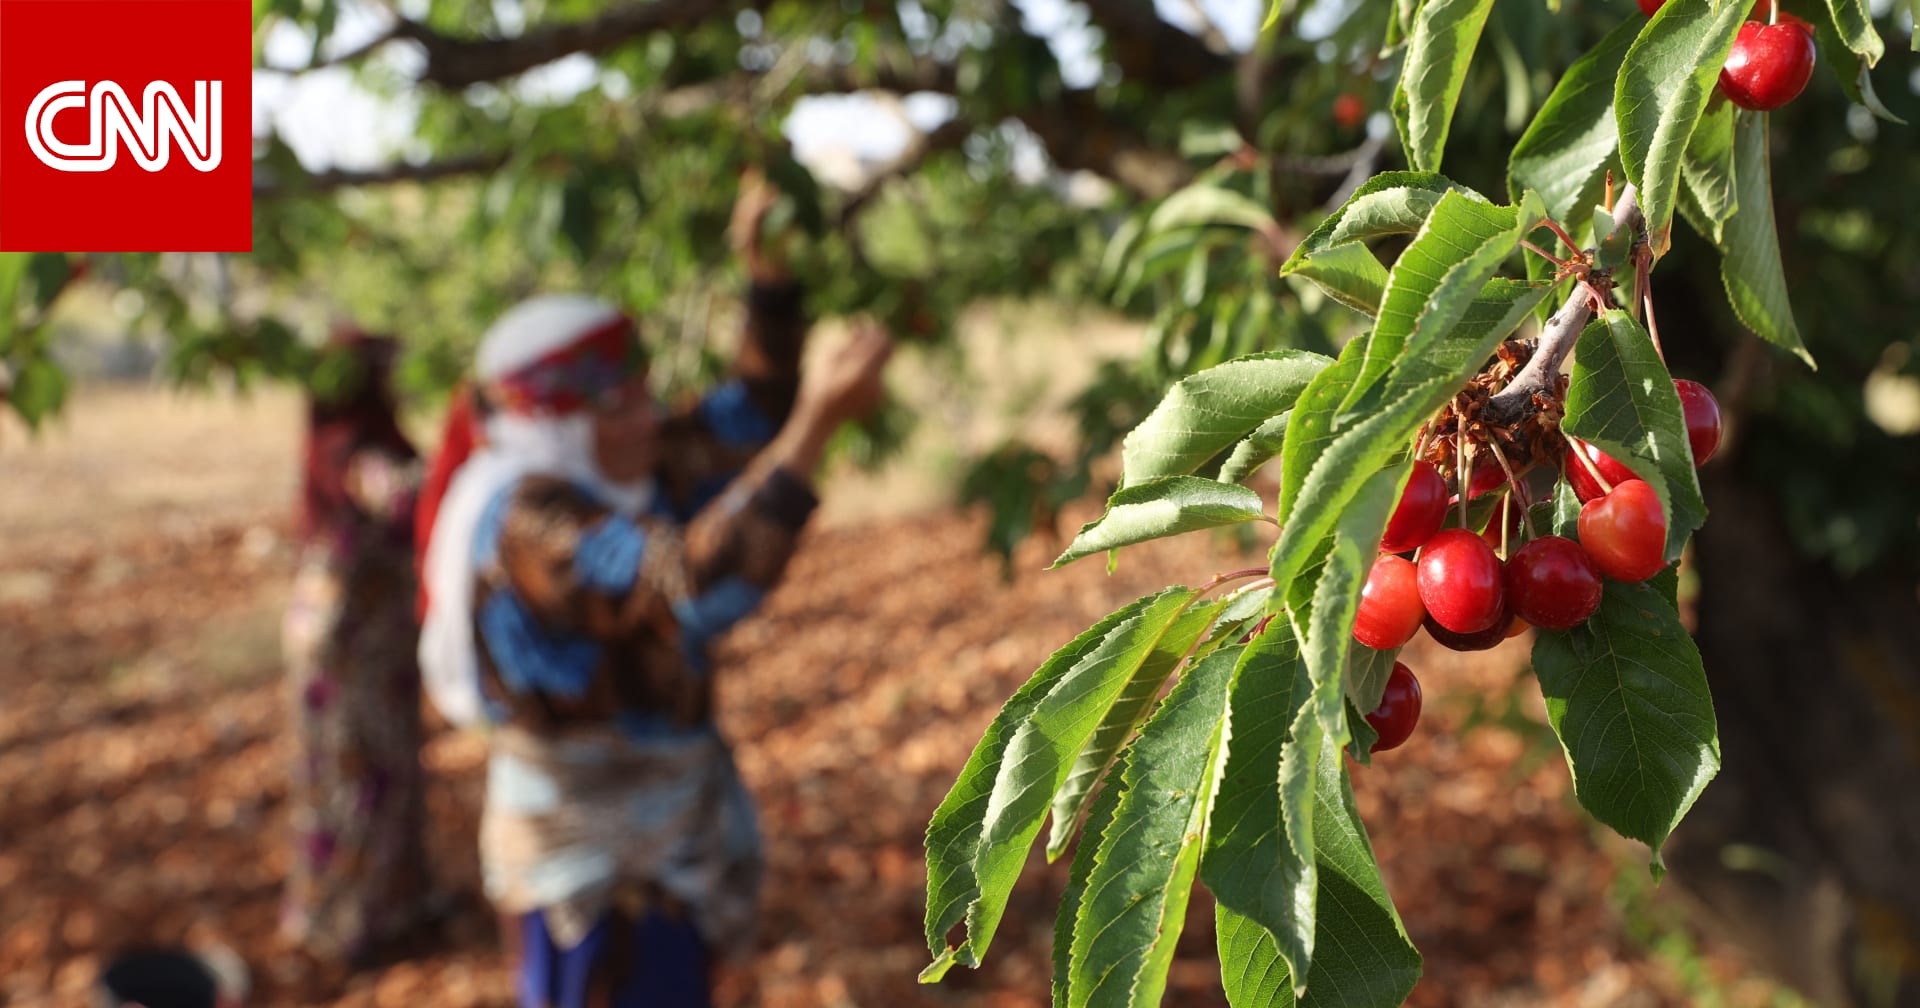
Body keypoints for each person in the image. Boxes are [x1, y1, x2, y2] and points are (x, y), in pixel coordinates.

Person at [414, 177, 892, 1008]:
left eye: (642, 394)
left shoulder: (619, 463)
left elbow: (747, 415)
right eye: (619, 405)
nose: (649, 419)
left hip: (660, 840)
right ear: (558, 423)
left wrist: (768, 279)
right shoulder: (529, 524)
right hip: (594, 865)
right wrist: (815, 431)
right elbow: (692, 591)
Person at [279, 328, 433, 967]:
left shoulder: (337, 443)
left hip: (349, 640)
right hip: (354, 650)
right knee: (361, 781)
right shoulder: (358, 451)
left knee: (363, 776)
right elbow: (403, 494)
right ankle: (349, 925)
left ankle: (382, 908)